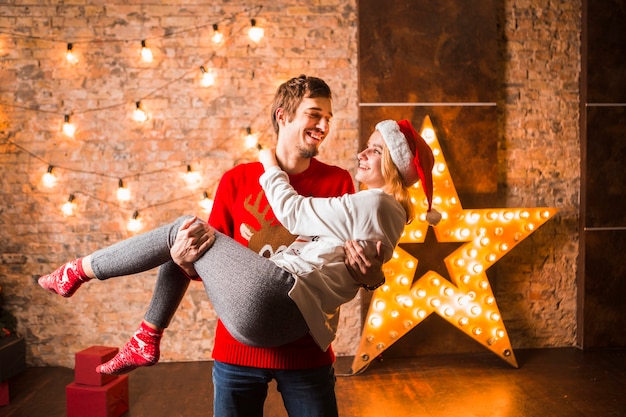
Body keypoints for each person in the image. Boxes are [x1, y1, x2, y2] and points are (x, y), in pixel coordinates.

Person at [39, 75, 437, 417]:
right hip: (237, 350)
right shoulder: (236, 180)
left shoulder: (341, 184)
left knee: (183, 227)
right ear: (283, 116)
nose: (324, 126)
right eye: (314, 115)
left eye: (328, 118)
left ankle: (118, 308)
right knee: (184, 238)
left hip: (305, 349)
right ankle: (141, 331)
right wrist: (183, 261)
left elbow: (346, 263)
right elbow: (200, 267)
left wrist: (371, 278)